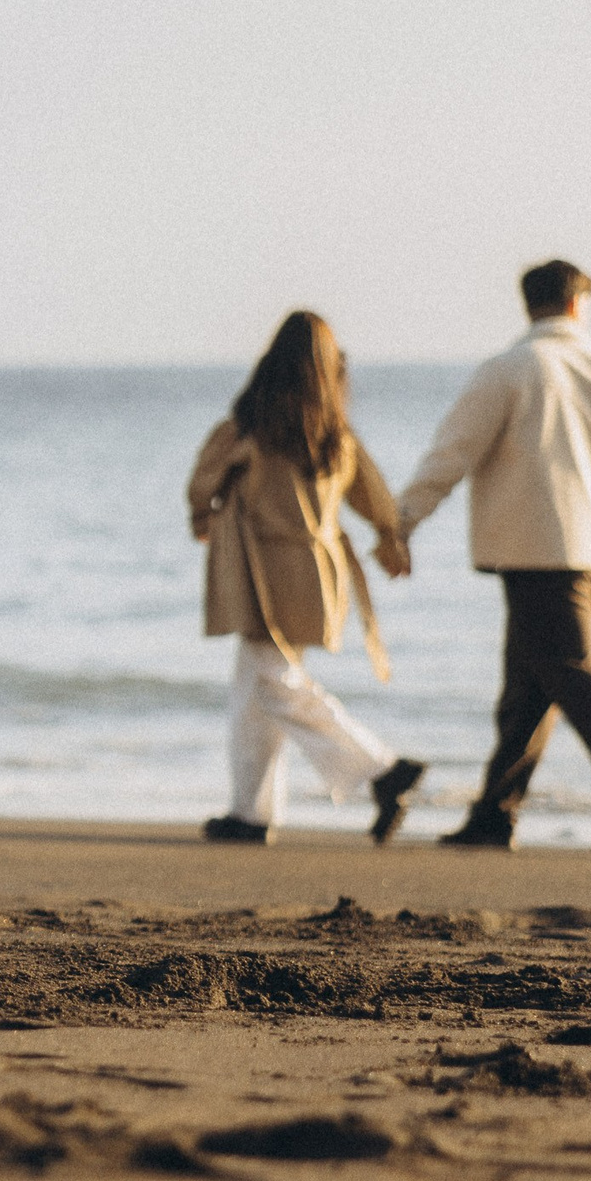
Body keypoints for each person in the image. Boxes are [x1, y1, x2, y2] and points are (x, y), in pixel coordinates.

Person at [392, 260, 591, 854]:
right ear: (579, 304)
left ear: (531, 306)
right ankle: (493, 815)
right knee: (530, 688)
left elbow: (452, 453)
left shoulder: (509, 370)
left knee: (572, 681)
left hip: (533, 551)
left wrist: (401, 523)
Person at [187, 311, 426, 845]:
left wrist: (203, 514)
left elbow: (202, 485)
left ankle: (381, 769)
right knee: (255, 688)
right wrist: (392, 540)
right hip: (318, 572)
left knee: (272, 682)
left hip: (262, 573)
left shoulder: (248, 430)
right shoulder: (335, 436)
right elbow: (377, 500)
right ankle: (251, 815)